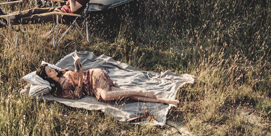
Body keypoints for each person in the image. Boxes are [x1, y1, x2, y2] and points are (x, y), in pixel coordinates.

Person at [36, 55, 179, 106]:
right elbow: (77, 96)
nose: (53, 70)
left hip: (94, 75)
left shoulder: (64, 72)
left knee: (105, 96)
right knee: (123, 95)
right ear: (47, 77)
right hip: (90, 86)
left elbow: (82, 74)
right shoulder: (57, 91)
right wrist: (79, 79)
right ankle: (163, 100)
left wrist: (79, 71)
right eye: (50, 71)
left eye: (51, 68)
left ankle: (140, 91)